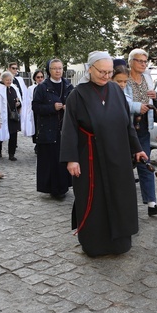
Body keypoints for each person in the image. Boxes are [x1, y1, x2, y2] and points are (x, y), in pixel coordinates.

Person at [61, 51, 146, 257]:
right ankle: (94, 244)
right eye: (102, 72)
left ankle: (120, 243)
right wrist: (71, 159)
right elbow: (69, 128)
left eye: (110, 72)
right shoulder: (77, 95)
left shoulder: (116, 91)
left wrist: (137, 148)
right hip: (90, 156)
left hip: (118, 155)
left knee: (120, 197)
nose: (106, 76)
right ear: (90, 69)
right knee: (95, 199)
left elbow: (128, 124)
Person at [125, 48, 157, 216]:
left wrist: (154, 95)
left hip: (143, 127)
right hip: (127, 127)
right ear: (131, 62)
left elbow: (151, 98)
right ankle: (124, 204)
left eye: (145, 61)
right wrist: (136, 107)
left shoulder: (147, 77)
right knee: (126, 167)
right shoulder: (124, 78)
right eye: (139, 61)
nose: (143, 64)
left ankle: (152, 203)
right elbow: (121, 100)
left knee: (146, 162)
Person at [33, 59, 74, 198]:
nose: (57, 71)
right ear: (49, 70)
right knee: (51, 160)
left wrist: (70, 108)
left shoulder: (68, 86)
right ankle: (53, 189)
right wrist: (52, 108)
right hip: (48, 128)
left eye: (60, 68)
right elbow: (35, 107)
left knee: (63, 158)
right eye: (54, 68)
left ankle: (63, 187)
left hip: (65, 127)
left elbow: (76, 104)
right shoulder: (42, 87)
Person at [0, 72, 22, 161]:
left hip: (12, 116)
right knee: (0, 134)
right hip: (3, 115)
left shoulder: (13, 88)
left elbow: (18, 99)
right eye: (7, 80)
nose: (9, 81)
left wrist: (18, 103)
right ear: (3, 80)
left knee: (13, 135)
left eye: (10, 80)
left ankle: (11, 153)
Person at [22, 69, 44, 150]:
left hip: (43, 110)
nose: (40, 79)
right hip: (35, 111)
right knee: (36, 127)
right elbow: (29, 100)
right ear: (35, 78)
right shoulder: (31, 88)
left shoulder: (46, 87)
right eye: (38, 77)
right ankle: (37, 143)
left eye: (41, 77)